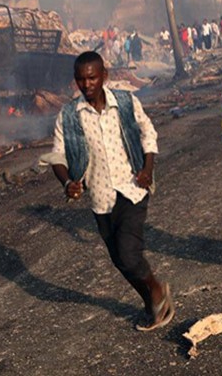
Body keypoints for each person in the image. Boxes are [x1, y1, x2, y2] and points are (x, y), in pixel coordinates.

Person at [42, 51, 174, 331]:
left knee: (128, 253)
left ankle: (157, 290)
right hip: (100, 197)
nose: (86, 84)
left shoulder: (125, 102)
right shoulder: (69, 115)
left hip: (132, 188)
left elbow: (147, 132)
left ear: (104, 76)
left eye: (92, 77)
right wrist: (68, 183)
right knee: (119, 260)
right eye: (80, 79)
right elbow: (58, 156)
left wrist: (148, 168)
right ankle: (152, 301)